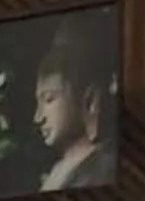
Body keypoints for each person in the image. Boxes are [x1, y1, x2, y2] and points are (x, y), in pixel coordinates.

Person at [32, 23, 115, 191]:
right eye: (38, 103)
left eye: (49, 99)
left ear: (90, 101)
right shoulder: (57, 171)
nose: (38, 117)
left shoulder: (106, 167)